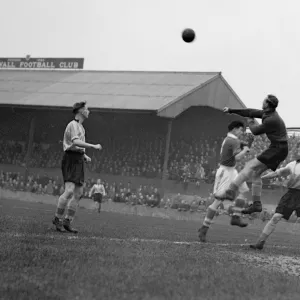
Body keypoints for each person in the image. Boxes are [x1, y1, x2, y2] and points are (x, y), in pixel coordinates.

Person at [214, 95, 288, 215]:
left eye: (264, 100)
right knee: (255, 173)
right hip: (279, 148)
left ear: (267, 104)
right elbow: (249, 111)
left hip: (278, 148)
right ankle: (257, 204)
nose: (262, 101)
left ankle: (230, 191)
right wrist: (231, 110)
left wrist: (250, 122)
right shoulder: (268, 113)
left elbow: (255, 131)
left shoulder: (271, 119)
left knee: (249, 165)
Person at [52, 101, 102, 233]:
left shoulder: (82, 128)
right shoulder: (73, 124)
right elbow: (75, 142)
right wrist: (93, 146)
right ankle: (57, 219)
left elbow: (79, 145)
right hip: (70, 158)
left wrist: (84, 156)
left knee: (78, 193)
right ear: (80, 111)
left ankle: (67, 221)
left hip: (78, 158)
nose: (88, 111)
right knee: (69, 190)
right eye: (87, 109)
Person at [198, 121, 251, 242]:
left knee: (244, 190)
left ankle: (236, 217)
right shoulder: (234, 141)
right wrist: (245, 149)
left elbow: (236, 147)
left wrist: (244, 145)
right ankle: (204, 228)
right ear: (234, 129)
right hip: (226, 172)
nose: (241, 132)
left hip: (232, 170)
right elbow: (237, 157)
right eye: (240, 129)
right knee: (217, 202)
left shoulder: (229, 139)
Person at [250, 142, 300, 250]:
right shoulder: (292, 165)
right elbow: (277, 173)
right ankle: (260, 242)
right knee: (276, 217)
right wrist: (261, 178)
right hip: (291, 194)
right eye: (299, 148)